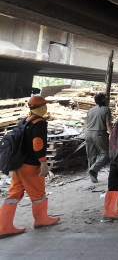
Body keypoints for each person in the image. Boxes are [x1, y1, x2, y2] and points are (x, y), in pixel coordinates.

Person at [0, 96, 60, 238]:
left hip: (19, 164)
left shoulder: (25, 121)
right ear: (40, 106)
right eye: (45, 105)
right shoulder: (39, 122)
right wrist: (43, 163)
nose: (46, 107)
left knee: (14, 194)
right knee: (38, 194)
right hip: (31, 165)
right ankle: (41, 219)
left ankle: (4, 227)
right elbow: (38, 143)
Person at [85, 92, 113, 183]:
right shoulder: (106, 109)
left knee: (91, 155)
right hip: (99, 133)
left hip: (88, 133)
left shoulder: (90, 110)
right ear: (103, 100)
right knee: (105, 153)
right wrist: (112, 135)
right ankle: (93, 170)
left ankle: (93, 176)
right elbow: (108, 124)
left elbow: (86, 124)